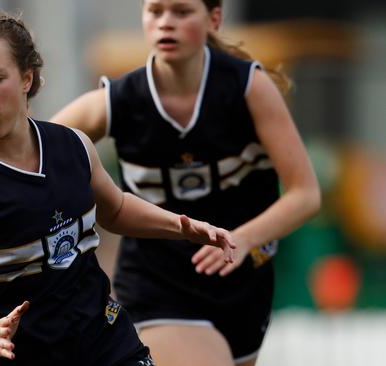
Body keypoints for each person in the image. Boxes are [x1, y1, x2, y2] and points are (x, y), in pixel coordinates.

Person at [0, 12, 238, 366]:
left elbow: (114, 209)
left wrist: (181, 227)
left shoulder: (72, 146)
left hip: (105, 342)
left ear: (26, 78)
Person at [51, 1, 321, 365]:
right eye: (155, 11)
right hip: (156, 282)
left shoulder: (248, 88)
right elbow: (36, 154)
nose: (165, 23)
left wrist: (244, 239)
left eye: (181, 12)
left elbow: (306, 194)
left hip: (241, 279)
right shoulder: (118, 100)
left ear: (214, 19)